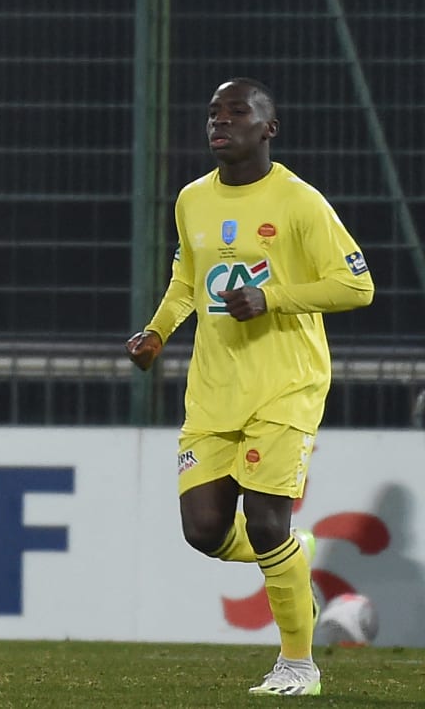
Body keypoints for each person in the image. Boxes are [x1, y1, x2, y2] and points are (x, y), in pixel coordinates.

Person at [125, 78, 374, 697]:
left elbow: (355, 286)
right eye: (213, 111)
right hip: (213, 390)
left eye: (238, 112)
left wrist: (273, 297)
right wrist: (157, 332)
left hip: (286, 385)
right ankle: (297, 552)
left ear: (269, 128)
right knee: (204, 531)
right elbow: (188, 275)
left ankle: (298, 665)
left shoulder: (299, 201)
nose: (220, 121)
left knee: (265, 521)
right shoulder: (191, 199)